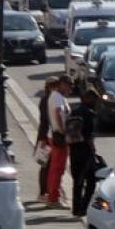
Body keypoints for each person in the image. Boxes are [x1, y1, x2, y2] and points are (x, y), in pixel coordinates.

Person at [66, 90, 98, 217]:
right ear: (88, 99)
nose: (96, 102)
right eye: (94, 99)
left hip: (74, 149)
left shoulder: (74, 112)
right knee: (91, 181)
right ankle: (84, 208)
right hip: (85, 151)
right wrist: (93, 149)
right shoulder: (88, 113)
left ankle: (76, 208)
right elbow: (89, 135)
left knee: (77, 180)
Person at [46, 75, 72, 209]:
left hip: (57, 135)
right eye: (68, 85)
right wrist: (63, 131)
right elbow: (58, 113)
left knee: (57, 167)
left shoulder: (58, 96)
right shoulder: (56, 97)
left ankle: (53, 195)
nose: (70, 88)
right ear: (61, 84)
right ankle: (53, 198)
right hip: (59, 136)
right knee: (57, 168)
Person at [36, 76, 58, 202]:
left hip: (46, 135)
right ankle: (43, 192)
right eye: (54, 85)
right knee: (45, 164)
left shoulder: (49, 99)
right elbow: (45, 121)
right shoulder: (46, 100)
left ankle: (45, 191)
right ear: (49, 87)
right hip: (45, 136)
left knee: (47, 164)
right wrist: (44, 138)